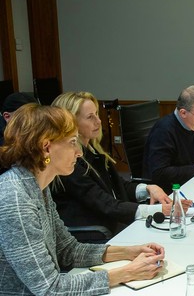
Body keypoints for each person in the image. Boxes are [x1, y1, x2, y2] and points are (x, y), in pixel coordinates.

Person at [0, 103, 165, 295]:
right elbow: (49, 289)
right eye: (72, 143)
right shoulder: (16, 199)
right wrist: (126, 273)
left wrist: (129, 252)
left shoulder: (37, 188)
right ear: (46, 147)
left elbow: (68, 250)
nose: (79, 153)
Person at [50, 92, 192, 240]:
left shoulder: (93, 151)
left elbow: (117, 186)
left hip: (114, 225)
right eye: (89, 117)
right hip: (94, 235)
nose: (98, 121)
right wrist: (158, 210)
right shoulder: (70, 164)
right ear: (71, 124)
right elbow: (105, 204)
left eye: (97, 114)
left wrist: (148, 189)